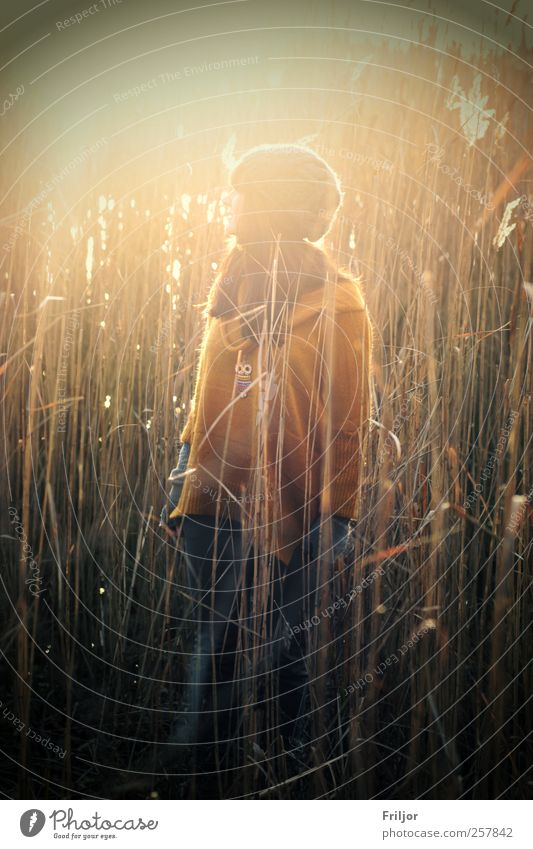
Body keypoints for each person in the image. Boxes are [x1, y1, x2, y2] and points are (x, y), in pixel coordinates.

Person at [160, 143, 374, 760]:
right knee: (216, 646)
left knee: (293, 656)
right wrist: (186, 480)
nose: (229, 203)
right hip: (215, 498)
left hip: (309, 502)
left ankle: (294, 778)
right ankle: (203, 777)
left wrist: (329, 516)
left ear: (269, 204)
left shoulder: (340, 302)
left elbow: (344, 419)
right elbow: (210, 399)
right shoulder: (231, 283)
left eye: (242, 192)